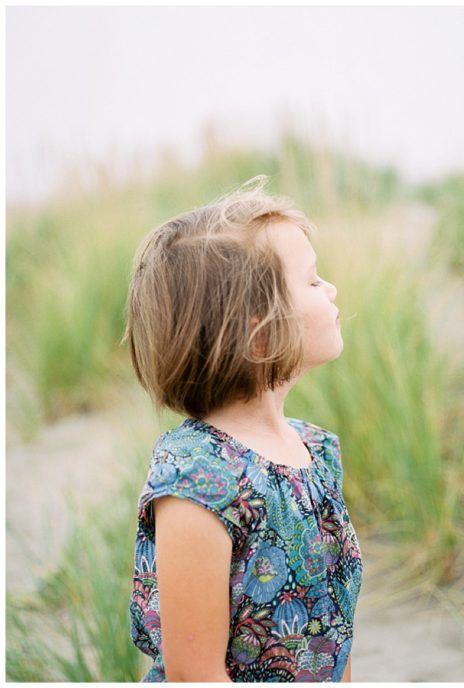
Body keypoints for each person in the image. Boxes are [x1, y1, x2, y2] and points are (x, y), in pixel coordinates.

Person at [124, 177, 362, 681]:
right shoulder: (198, 480)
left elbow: (334, 626)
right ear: (260, 336)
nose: (332, 288)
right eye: (314, 281)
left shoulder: (315, 449)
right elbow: (198, 675)